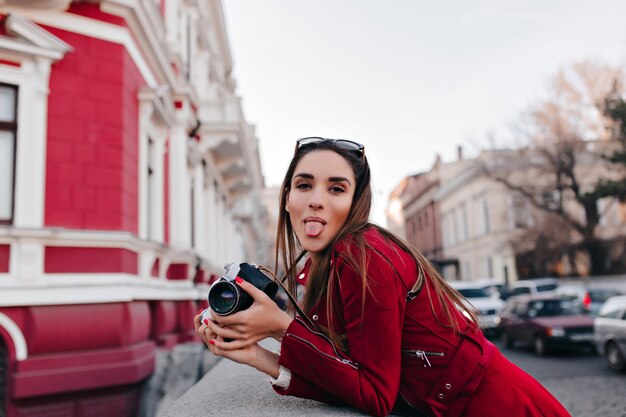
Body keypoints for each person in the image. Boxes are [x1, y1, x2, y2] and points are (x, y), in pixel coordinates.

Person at [194, 137, 571, 417]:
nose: (316, 199)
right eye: (304, 185)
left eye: (336, 188)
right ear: (287, 198)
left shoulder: (363, 256)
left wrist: (280, 327)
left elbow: (376, 395)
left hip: (496, 405)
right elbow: (351, 376)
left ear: (356, 201)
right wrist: (254, 354)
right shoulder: (322, 265)